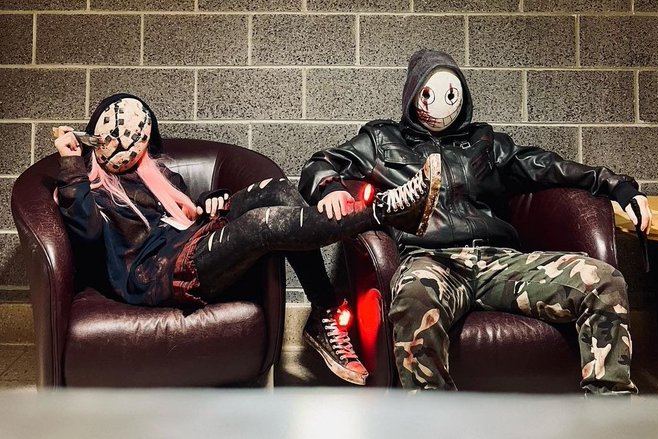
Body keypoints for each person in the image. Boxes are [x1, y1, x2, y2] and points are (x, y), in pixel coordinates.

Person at [299, 49, 652, 395]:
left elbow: (545, 165)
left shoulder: (485, 142)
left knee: (603, 280)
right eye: (428, 93)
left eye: (450, 94)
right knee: (413, 297)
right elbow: (320, 163)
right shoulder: (382, 140)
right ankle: (434, 419)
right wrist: (329, 187)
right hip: (431, 261)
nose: (439, 104)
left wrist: (616, 186)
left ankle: (609, 411)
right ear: (413, 94)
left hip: (500, 263)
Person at [53, 93, 440, 386]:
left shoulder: (156, 177)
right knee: (260, 226)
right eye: (118, 134)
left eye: (135, 134)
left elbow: (187, 216)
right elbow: (87, 233)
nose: (126, 142)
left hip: (191, 243)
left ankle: (322, 313)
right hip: (158, 273)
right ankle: (387, 209)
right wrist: (71, 163)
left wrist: (211, 200)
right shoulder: (89, 190)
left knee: (279, 190)